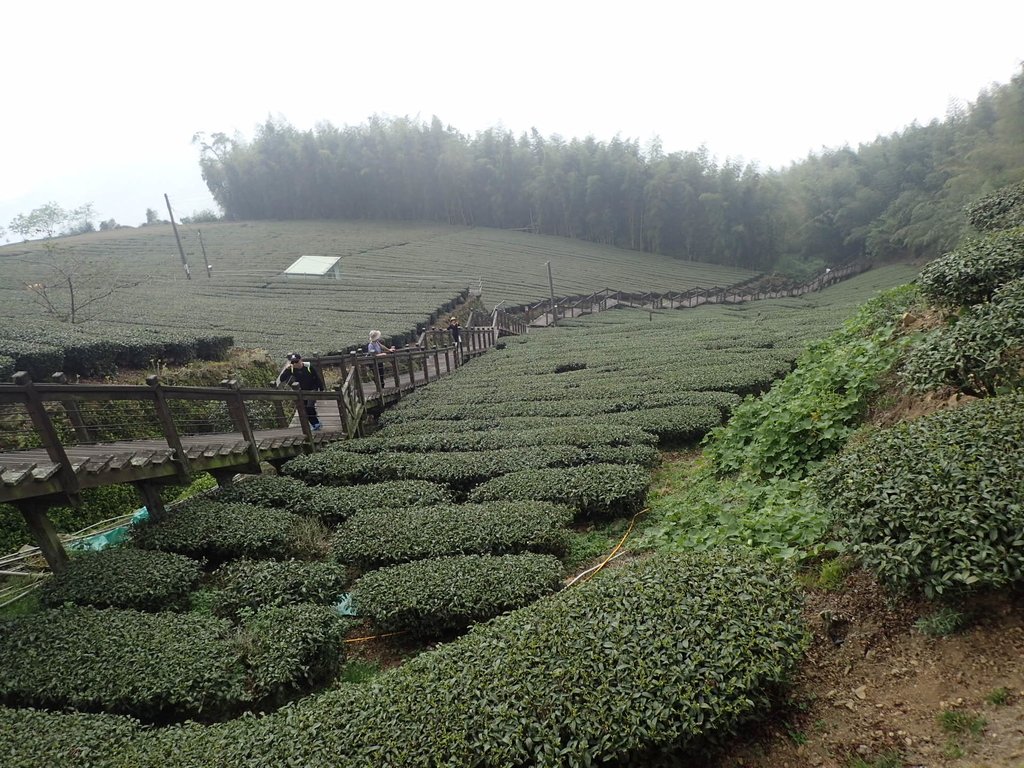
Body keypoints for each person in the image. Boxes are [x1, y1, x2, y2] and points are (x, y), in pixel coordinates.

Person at [277, 353, 324, 430]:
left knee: (309, 407)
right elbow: (282, 379)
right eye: (292, 362)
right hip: (301, 392)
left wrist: (321, 389)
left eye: (296, 361)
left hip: (312, 390)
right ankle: (315, 423)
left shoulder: (308, 367)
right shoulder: (291, 369)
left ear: (301, 360)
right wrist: (287, 369)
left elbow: (317, 378)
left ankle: (316, 423)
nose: (295, 363)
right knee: (305, 409)